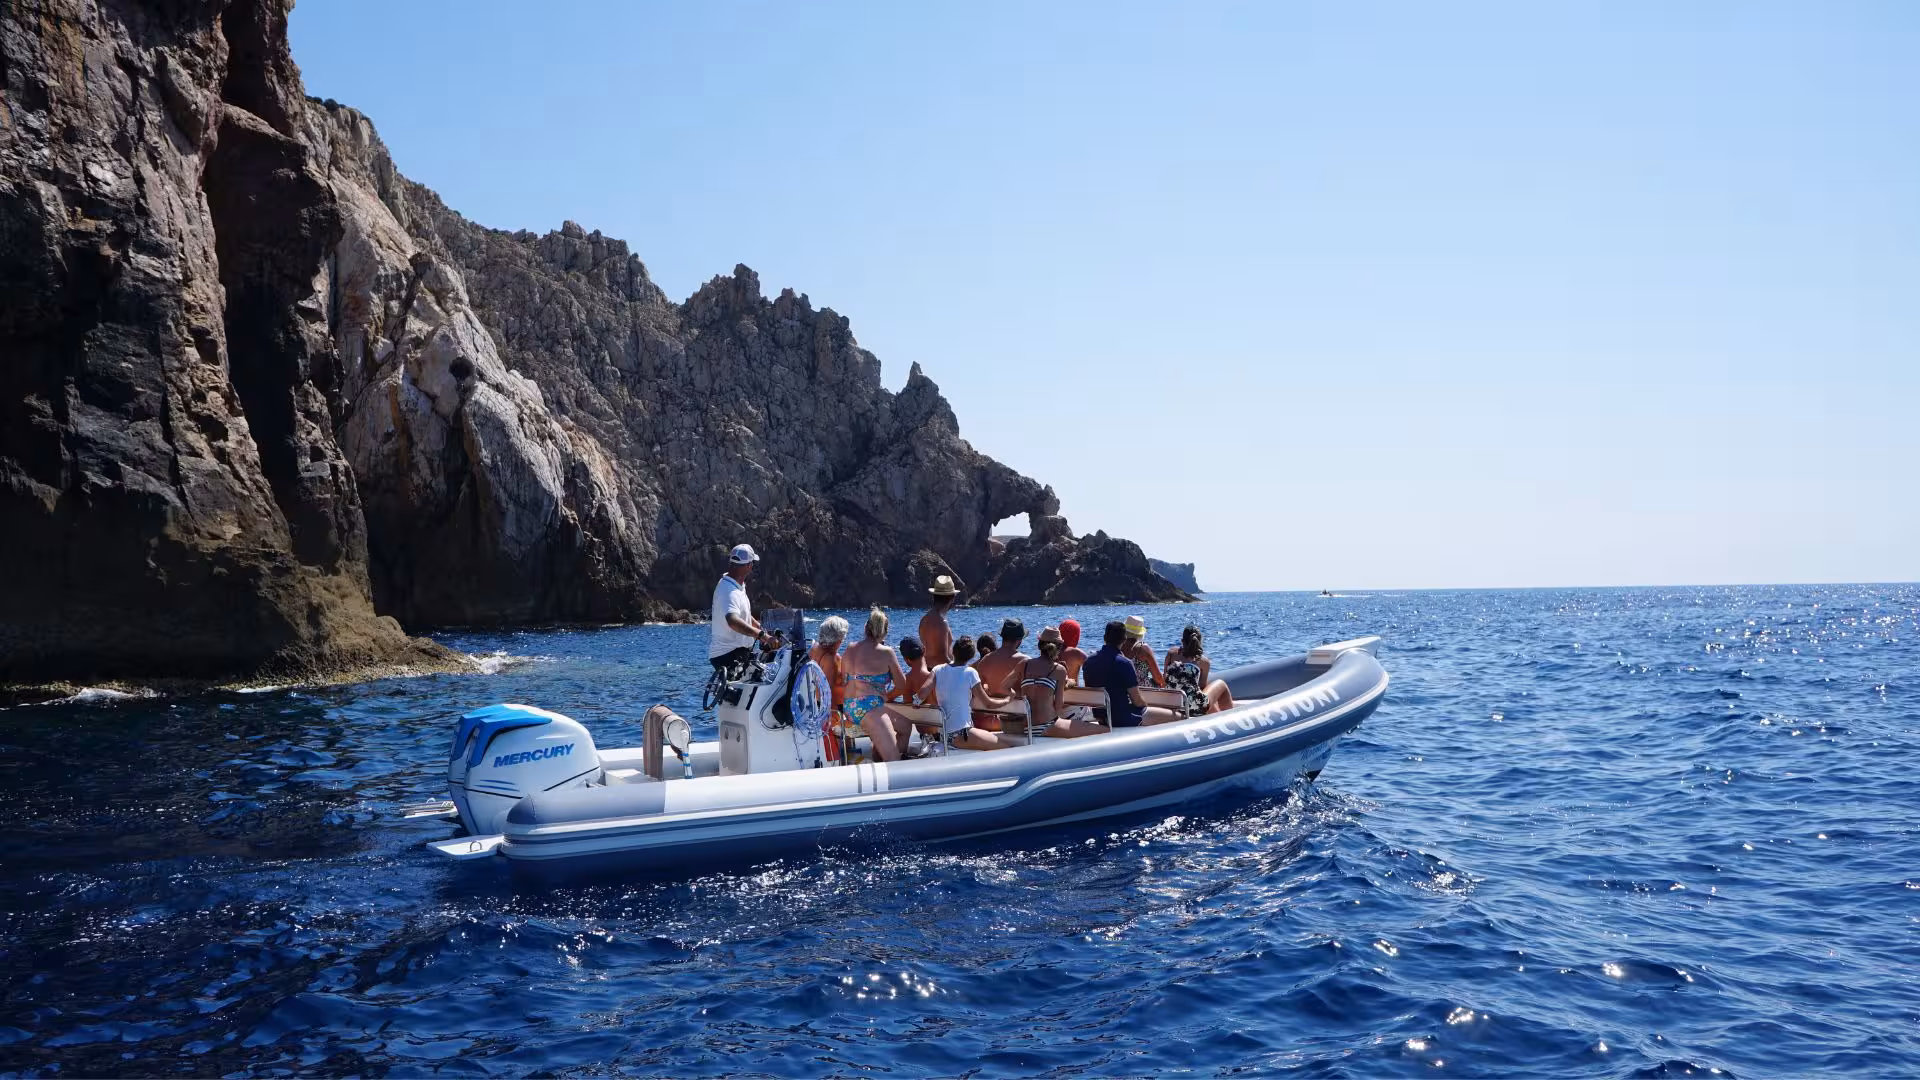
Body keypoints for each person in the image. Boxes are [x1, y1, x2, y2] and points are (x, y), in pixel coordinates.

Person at [840, 608, 913, 761]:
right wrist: (887, 696)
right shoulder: (886, 652)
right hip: (870, 708)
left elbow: (844, 679)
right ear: (884, 632)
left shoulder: (850, 648)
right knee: (894, 759)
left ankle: (879, 758)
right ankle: (895, 769)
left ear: (866, 627)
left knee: (905, 726)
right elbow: (902, 684)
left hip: (849, 707)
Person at [1082, 620, 1181, 728]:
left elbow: (1090, 694)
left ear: (1104, 637)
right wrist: (1147, 708)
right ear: (1124, 639)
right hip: (1124, 718)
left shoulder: (1088, 661)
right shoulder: (1125, 663)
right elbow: (1137, 701)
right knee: (1179, 717)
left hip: (1101, 717)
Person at [929, 636, 1022, 751]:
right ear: (971, 655)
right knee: (1007, 748)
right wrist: (1008, 699)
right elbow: (988, 704)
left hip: (945, 735)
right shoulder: (970, 672)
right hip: (962, 734)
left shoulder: (938, 669)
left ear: (953, 651)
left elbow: (926, 693)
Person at [710, 543, 771, 674]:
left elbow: (745, 615)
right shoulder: (728, 590)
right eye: (752, 563)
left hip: (738, 652)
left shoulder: (738, 585)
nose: (753, 566)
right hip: (728, 654)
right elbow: (732, 620)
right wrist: (761, 635)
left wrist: (761, 628)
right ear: (748, 566)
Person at [1163, 624, 1235, 716]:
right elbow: (1202, 687)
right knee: (1221, 684)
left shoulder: (1171, 653)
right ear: (1200, 642)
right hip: (1193, 707)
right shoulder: (1204, 662)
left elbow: (1165, 678)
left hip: (1171, 703)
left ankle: (1216, 715)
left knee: (1201, 697)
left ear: (1182, 641)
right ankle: (1230, 718)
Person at [812, 616, 849, 759]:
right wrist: (835, 719)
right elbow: (830, 690)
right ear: (839, 638)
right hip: (832, 710)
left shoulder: (815, 649)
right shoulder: (833, 658)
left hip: (818, 706)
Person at [919, 575, 958, 667]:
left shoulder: (924, 619)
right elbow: (942, 657)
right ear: (952, 598)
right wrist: (959, 668)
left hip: (928, 669)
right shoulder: (941, 622)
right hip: (940, 673)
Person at [1122, 614, 1164, 688]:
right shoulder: (1143, 648)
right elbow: (1158, 678)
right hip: (1141, 690)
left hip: (1122, 688)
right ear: (1140, 633)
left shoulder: (1118, 645)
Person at [891, 635, 933, 705]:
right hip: (935, 715)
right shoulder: (935, 677)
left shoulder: (905, 681)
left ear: (906, 659)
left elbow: (887, 698)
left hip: (911, 715)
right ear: (924, 650)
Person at [1058, 619, 1089, 685]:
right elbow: (1093, 669)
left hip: (1052, 691)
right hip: (1073, 691)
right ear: (1075, 636)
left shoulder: (1048, 651)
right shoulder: (1076, 653)